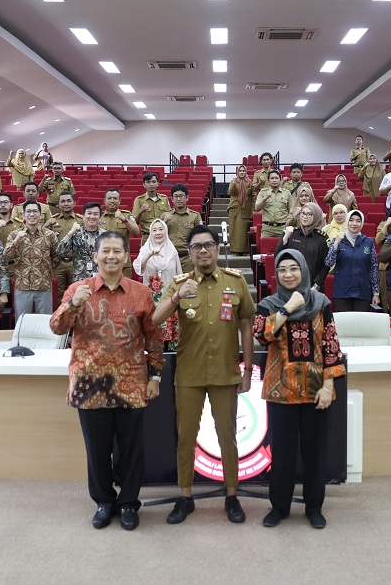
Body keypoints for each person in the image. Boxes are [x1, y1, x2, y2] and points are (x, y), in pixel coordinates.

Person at [50, 231, 162, 531]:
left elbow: (154, 338)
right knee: (97, 450)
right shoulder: (78, 289)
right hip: (89, 384)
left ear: (127, 257)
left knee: (130, 450)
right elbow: (56, 327)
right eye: (105, 251)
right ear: (95, 256)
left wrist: (154, 375)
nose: (111, 256)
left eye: (117, 251)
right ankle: (103, 501)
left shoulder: (141, 293)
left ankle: (128, 503)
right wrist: (73, 304)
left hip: (131, 382)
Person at [154, 225, 256, 526]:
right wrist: (175, 298)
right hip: (189, 373)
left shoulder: (235, 283)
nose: (202, 251)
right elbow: (156, 319)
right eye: (196, 246)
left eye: (208, 245)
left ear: (216, 248)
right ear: (189, 251)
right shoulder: (180, 283)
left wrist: (247, 369)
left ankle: (231, 495)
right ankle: (185, 497)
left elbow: (247, 327)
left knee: (228, 437)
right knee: (186, 437)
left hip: (225, 372)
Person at [253, 249, 345, 529]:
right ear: (276, 274)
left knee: (315, 453)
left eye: (294, 268)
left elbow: (331, 344)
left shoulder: (321, 303)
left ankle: (314, 507)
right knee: (282, 454)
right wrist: (287, 308)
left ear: (303, 271)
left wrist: (329, 385)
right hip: (281, 391)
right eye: (282, 270)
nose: (288, 274)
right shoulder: (268, 304)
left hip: (316, 390)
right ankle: (279, 507)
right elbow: (262, 336)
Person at [3, 201, 58, 316]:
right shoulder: (14, 235)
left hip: (44, 285)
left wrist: (45, 270)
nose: (32, 214)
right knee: (22, 323)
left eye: (35, 211)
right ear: (23, 215)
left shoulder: (50, 235)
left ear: (40, 215)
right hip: (22, 286)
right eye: (28, 211)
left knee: (44, 324)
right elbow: (6, 256)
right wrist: (16, 241)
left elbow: (56, 258)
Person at [134, 218, 182, 346]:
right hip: (152, 296)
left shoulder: (172, 251)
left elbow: (179, 275)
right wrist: (150, 254)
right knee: (153, 334)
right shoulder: (145, 250)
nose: (158, 232)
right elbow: (138, 268)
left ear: (166, 231)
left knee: (170, 336)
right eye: (154, 230)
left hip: (170, 296)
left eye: (161, 229)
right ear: (150, 233)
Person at [325, 210, 379, 312]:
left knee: (361, 325)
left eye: (358, 221)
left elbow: (373, 268)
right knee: (343, 325)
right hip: (342, 291)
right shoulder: (338, 240)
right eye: (351, 220)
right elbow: (329, 263)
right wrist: (336, 243)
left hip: (363, 291)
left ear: (362, 223)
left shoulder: (368, 242)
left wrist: (376, 293)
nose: (354, 224)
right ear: (347, 221)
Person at [278, 203, 330, 292]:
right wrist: (285, 239)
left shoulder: (322, 238)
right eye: (302, 213)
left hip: (312, 287)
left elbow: (325, 265)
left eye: (309, 214)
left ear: (316, 216)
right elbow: (278, 257)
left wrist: (316, 285)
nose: (305, 217)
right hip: (290, 285)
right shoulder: (291, 233)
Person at [46, 191, 84, 298]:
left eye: (69, 201)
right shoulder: (53, 221)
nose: (66, 204)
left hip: (76, 263)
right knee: (58, 296)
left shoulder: (81, 221)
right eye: (62, 201)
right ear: (58, 204)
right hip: (58, 264)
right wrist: (46, 225)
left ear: (74, 203)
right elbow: (43, 238)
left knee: (76, 294)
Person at [56, 201, 105, 283]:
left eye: (95, 214)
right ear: (83, 216)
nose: (92, 216)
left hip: (100, 279)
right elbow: (59, 251)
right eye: (89, 213)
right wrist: (70, 233)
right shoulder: (75, 234)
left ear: (100, 217)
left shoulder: (105, 235)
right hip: (80, 280)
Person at [99, 188, 140, 277]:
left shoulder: (126, 215)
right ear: (104, 201)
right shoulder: (99, 217)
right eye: (109, 198)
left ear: (120, 201)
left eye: (115, 198)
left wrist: (124, 220)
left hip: (122, 263)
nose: (112, 201)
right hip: (104, 262)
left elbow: (136, 232)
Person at [164, 184, 202, 273]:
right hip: (169, 257)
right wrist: (164, 221)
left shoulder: (195, 216)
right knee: (170, 285)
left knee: (188, 283)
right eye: (176, 196)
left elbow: (200, 237)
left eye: (181, 196)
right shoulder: (165, 216)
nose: (178, 199)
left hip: (188, 259)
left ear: (187, 197)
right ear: (172, 199)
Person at [255, 170, 294, 238]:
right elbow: (257, 208)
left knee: (284, 248)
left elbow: (292, 211)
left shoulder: (286, 193)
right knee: (265, 247)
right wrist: (265, 199)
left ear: (280, 180)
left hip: (282, 228)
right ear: (268, 180)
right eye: (272, 178)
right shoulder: (263, 192)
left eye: (276, 178)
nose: (274, 180)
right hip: (267, 228)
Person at [227, 165, 253, 255]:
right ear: (237, 172)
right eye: (240, 171)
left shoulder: (250, 182)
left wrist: (253, 210)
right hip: (234, 208)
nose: (242, 172)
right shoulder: (233, 181)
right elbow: (230, 192)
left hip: (245, 209)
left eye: (243, 171)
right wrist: (233, 184)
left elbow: (253, 196)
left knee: (243, 231)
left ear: (246, 172)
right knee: (234, 230)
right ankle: (234, 249)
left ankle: (244, 250)